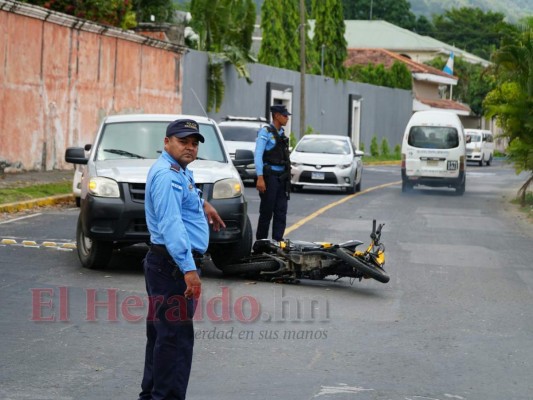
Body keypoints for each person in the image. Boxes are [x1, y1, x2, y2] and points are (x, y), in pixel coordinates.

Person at [139, 118, 225, 400]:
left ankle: (151, 395)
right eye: (182, 141)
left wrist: (203, 203)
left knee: (162, 337)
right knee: (174, 341)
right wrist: (189, 269)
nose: (189, 148)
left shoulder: (178, 170)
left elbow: (185, 194)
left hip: (165, 265)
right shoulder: (167, 175)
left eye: (193, 143)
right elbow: (172, 224)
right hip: (173, 268)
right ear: (167, 142)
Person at [254, 104, 292, 241]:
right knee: (266, 212)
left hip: (282, 179)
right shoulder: (266, 132)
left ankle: (278, 242)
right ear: (276, 115)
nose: (287, 118)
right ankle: (261, 243)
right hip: (269, 179)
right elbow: (258, 155)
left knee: (281, 212)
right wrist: (260, 177)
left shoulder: (281, 134)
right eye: (285, 115)